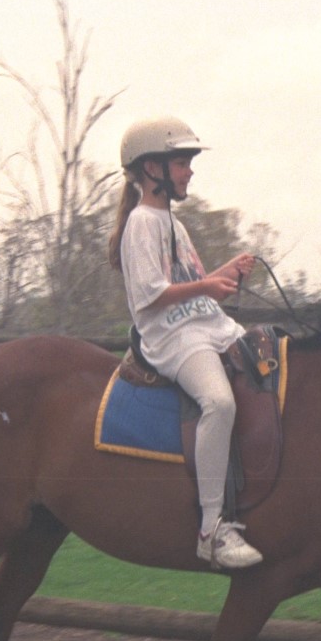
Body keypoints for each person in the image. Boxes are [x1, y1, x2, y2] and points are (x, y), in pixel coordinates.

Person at [107, 116, 263, 571]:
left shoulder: (172, 223)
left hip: (205, 324)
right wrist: (208, 287)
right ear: (151, 168)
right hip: (173, 337)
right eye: (181, 163)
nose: (189, 171)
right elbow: (150, 295)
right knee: (219, 402)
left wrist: (223, 274)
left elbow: (188, 282)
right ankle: (211, 530)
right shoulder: (141, 223)